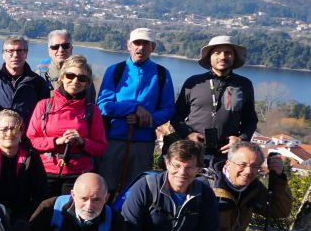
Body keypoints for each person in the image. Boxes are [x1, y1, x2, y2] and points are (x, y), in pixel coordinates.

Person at [97, 28, 175, 193]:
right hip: (113, 141)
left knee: (136, 191)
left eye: (145, 44)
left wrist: (146, 119)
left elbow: (168, 109)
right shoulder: (115, 71)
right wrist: (133, 108)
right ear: (129, 45)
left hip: (143, 143)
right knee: (105, 189)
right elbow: (103, 105)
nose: (140, 47)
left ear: (153, 47)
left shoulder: (162, 74)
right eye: (137, 43)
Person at [172, 35, 259, 165]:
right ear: (209, 57)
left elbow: (250, 119)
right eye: (217, 53)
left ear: (234, 57)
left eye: (228, 53)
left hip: (226, 154)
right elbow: (176, 115)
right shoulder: (194, 82)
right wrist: (188, 134)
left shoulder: (244, 84)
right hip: (191, 151)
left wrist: (241, 139)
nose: (223, 57)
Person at [26, 54, 106, 195]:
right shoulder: (44, 106)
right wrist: (57, 141)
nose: (75, 81)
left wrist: (81, 141)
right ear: (62, 77)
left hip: (78, 174)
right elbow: (30, 140)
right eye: (70, 75)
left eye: (82, 78)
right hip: (44, 171)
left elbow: (100, 147)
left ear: (87, 83)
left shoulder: (92, 110)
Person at [0, 109, 47, 226]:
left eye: (15, 129)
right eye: (4, 129)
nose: (10, 134)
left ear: (21, 132)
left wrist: (25, 218)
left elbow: (41, 191)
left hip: (22, 215)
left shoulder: (31, 155)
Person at [0, 36, 50, 125]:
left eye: (20, 51)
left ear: (26, 54)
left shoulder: (38, 82)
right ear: (3, 55)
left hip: (26, 133)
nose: (15, 55)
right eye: (10, 51)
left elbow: (44, 115)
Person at [34, 29, 84, 95]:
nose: (61, 50)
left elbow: (90, 99)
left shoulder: (83, 76)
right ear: (49, 51)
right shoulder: (38, 76)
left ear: (71, 49)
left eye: (65, 46)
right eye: (55, 47)